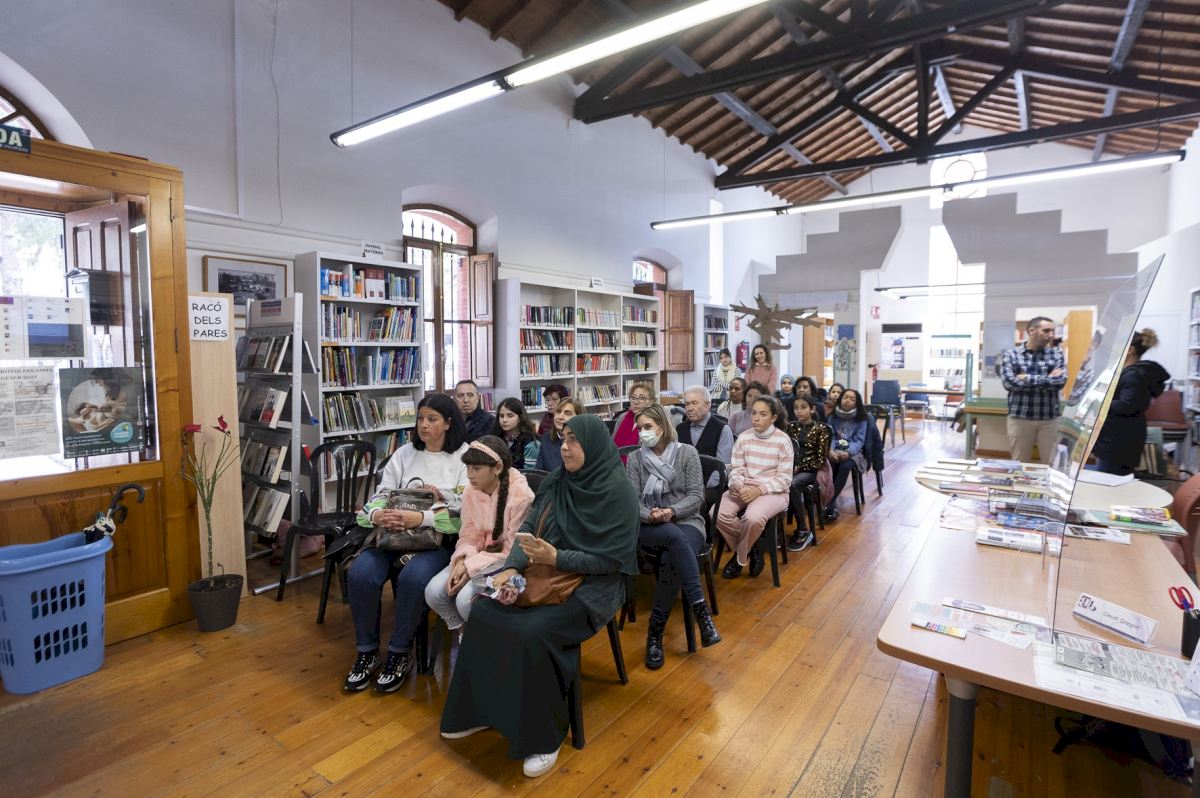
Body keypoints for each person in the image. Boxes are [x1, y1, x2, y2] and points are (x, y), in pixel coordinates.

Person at [439, 415, 639, 778]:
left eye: (575, 440)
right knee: (483, 613)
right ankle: (480, 711)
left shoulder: (619, 493)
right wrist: (513, 566)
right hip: (545, 573)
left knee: (534, 633)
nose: (565, 447)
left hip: (596, 587)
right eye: (563, 438)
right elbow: (530, 529)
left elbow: (612, 561)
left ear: (594, 445)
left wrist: (557, 557)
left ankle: (544, 738)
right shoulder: (558, 480)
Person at [343, 393, 469, 694]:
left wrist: (422, 517)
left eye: (432, 419)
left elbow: (465, 509)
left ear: (448, 423)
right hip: (392, 535)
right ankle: (367, 651)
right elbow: (381, 494)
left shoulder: (464, 456)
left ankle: (399, 652)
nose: (423, 425)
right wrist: (378, 515)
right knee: (360, 573)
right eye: (420, 418)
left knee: (413, 578)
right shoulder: (404, 453)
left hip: (435, 541)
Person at [625, 403, 720, 669]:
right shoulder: (635, 459)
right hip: (649, 524)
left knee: (671, 557)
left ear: (663, 426)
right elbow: (632, 502)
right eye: (639, 428)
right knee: (673, 538)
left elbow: (696, 496)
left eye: (648, 427)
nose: (642, 433)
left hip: (686, 520)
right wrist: (652, 515)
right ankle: (701, 612)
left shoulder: (687, 453)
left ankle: (654, 634)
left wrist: (671, 511)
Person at [424, 436, 536, 637]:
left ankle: (483, 642)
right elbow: (468, 534)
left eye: (476, 468)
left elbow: (512, 550)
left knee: (465, 601)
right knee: (433, 592)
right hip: (477, 557)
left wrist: (470, 568)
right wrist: (462, 560)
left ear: (497, 468)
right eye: (468, 467)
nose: (469, 474)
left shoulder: (521, 496)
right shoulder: (471, 491)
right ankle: (465, 635)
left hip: (506, 562)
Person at [717, 395, 792, 579]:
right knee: (716, 514)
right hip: (745, 486)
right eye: (754, 413)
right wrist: (735, 483)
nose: (756, 418)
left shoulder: (783, 440)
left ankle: (739, 558)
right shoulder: (744, 437)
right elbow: (737, 468)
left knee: (752, 518)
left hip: (773, 491)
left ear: (774, 417)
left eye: (763, 414)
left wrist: (759, 490)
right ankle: (754, 546)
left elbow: (784, 479)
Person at [1092, 329, 1169, 476]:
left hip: (1119, 439)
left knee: (1109, 480)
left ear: (1130, 350)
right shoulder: (1131, 373)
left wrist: (1099, 401)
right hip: (1118, 436)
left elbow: (1127, 405)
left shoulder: (1134, 375)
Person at [1000, 316, 1067, 464]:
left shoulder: (1057, 355)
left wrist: (1025, 377)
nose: (1051, 335)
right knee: (1020, 464)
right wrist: (1047, 378)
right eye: (1046, 331)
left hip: (1050, 419)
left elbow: (1060, 382)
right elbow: (1009, 383)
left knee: (1052, 465)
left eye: (1053, 331)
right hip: (1020, 418)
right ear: (1032, 331)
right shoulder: (1011, 355)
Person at [786, 395, 832, 551]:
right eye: (796, 407)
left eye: (803, 407)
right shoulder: (791, 427)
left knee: (792, 484)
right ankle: (774, 530)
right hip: (791, 468)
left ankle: (803, 529)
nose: (798, 411)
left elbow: (820, 460)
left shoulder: (821, 429)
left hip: (812, 470)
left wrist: (799, 467)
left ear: (812, 409)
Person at [676, 385, 734, 491]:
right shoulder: (679, 429)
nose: (689, 408)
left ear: (707, 405)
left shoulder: (722, 429)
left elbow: (722, 468)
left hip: (711, 489)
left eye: (694, 403)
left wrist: (699, 490)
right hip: (682, 488)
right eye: (687, 404)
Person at [824, 388, 869, 522]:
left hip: (853, 452)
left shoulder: (861, 419)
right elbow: (830, 436)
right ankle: (825, 501)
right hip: (834, 449)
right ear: (840, 399)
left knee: (844, 467)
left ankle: (829, 503)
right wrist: (831, 450)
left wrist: (848, 452)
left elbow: (859, 441)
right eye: (845, 397)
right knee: (827, 465)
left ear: (857, 403)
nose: (848, 400)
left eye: (852, 399)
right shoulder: (833, 417)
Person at [534, 397, 582, 471]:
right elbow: (539, 471)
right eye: (558, 412)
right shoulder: (546, 438)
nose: (560, 417)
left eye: (567, 413)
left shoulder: (583, 441)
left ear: (579, 417)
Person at [493, 397, 540, 470]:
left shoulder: (530, 442)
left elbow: (530, 473)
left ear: (520, 418)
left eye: (510, 416)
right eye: (501, 416)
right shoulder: (497, 437)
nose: (504, 420)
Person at [612, 381, 655, 455]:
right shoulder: (622, 417)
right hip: (616, 459)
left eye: (641, 398)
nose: (636, 402)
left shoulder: (653, 421)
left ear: (651, 401)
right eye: (633, 398)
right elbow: (611, 444)